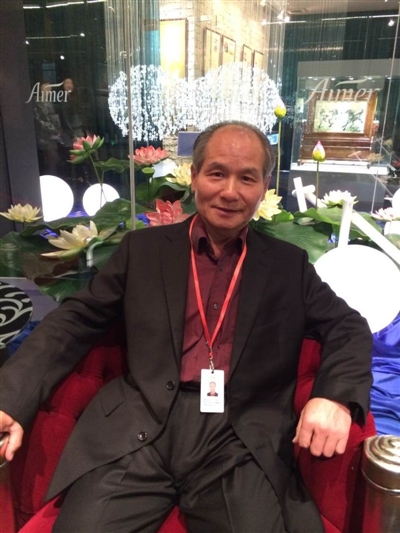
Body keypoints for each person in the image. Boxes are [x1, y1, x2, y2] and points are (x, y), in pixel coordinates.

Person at [0, 121, 372, 533]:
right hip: (141, 424)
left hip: (238, 435)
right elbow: (73, 321)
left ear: (264, 187)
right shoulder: (142, 251)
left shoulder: (288, 265)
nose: (230, 191)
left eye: (247, 178)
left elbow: (348, 326)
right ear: (194, 177)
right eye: (217, 173)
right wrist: (9, 398)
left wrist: (334, 397)